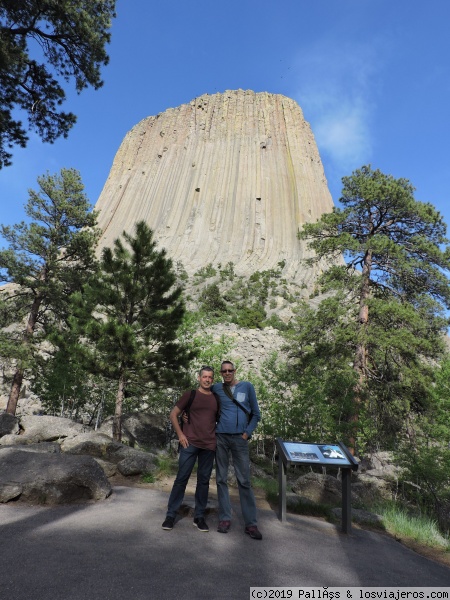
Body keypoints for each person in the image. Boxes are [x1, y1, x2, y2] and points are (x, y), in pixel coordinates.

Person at [162, 366, 219, 532]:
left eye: (210, 377)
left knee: (204, 482)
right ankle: (171, 515)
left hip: (209, 446)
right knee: (181, 479)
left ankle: (199, 517)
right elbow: (173, 414)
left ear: (212, 379)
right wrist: (180, 435)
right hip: (190, 443)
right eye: (205, 377)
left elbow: (217, 418)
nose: (207, 380)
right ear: (199, 378)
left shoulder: (216, 398)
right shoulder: (190, 394)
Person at [212, 360, 263, 540]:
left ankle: (251, 523)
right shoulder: (216, 388)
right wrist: (186, 413)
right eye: (224, 371)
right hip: (221, 437)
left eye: (230, 370)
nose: (227, 373)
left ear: (235, 370)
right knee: (221, 478)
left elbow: (256, 414)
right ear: (220, 373)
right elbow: (202, 401)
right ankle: (225, 518)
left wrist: (246, 433)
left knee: (244, 481)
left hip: (240, 439)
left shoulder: (247, 387)